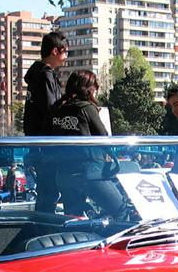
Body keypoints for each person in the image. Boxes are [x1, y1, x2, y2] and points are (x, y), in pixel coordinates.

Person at [49, 71, 120, 216]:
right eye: (94, 87)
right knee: (120, 210)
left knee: (75, 218)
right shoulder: (86, 107)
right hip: (89, 171)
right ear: (87, 88)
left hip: (63, 173)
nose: (95, 91)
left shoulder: (57, 108)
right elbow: (103, 136)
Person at [23, 31, 67, 136]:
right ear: (55, 51)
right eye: (65, 52)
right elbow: (51, 109)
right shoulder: (45, 75)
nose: (66, 56)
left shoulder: (38, 73)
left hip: (34, 134)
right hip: (45, 137)